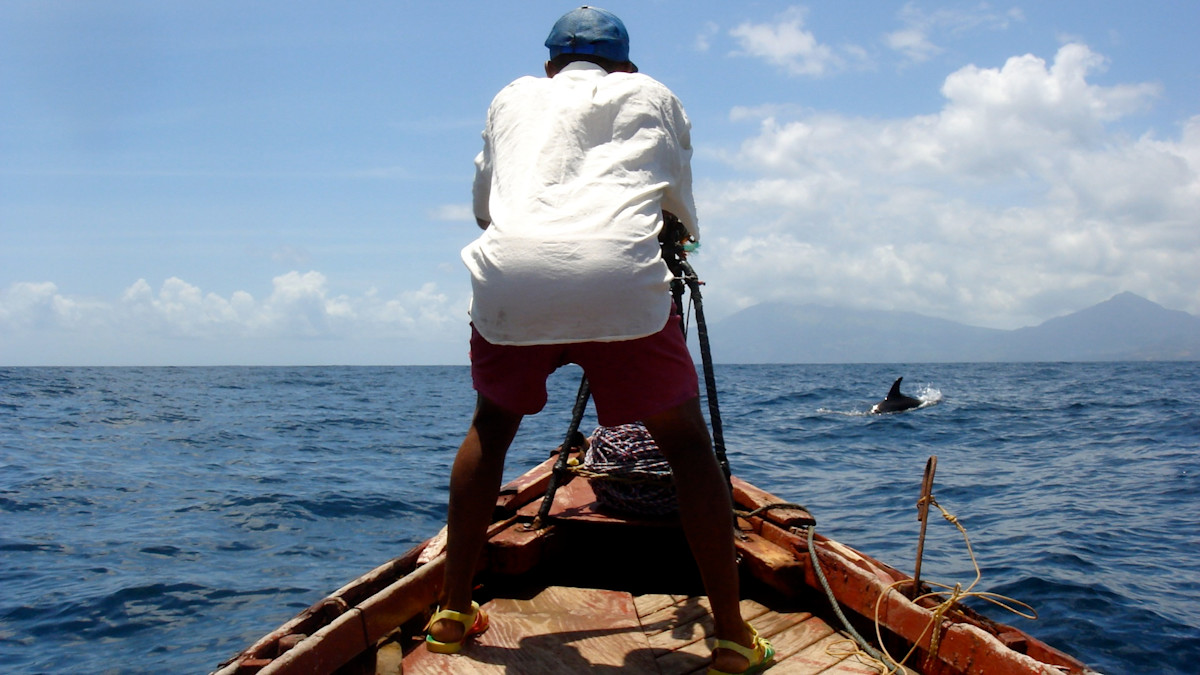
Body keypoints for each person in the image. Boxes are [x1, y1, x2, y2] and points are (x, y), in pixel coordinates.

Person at [426, 7, 773, 674]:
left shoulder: (511, 96)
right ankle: (731, 635)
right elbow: (678, 204)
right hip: (621, 279)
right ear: (625, 66)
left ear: (551, 63)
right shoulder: (653, 95)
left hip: (509, 278)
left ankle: (450, 610)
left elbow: (483, 202)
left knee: (490, 428)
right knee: (687, 446)